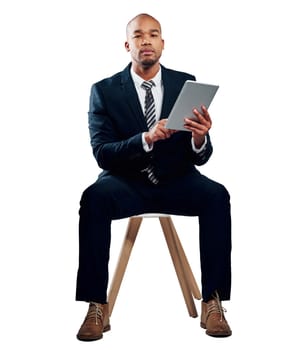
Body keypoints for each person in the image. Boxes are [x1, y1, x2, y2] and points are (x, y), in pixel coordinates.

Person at [76, 13, 232, 341]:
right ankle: (95, 304)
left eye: (153, 34)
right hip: (126, 183)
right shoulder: (103, 91)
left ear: (162, 43)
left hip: (177, 180)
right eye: (138, 35)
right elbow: (102, 152)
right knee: (94, 198)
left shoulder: (185, 83)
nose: (146, 40)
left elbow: (199, 155)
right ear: (127, 45)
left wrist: (199, 138)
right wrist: (145, 139)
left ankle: (213, 302)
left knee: (217, 195)